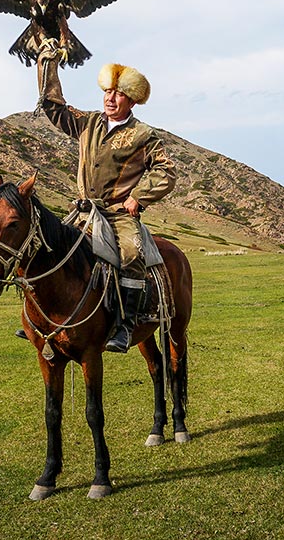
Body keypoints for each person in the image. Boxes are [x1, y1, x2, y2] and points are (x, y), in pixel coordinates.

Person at [25, 42, 177, 352]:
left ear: (131, 101)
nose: (111, 98)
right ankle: (41, 320)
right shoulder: (88, 122)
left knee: (132, 255)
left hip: (119, 215)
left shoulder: (142, 135)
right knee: (43, 245)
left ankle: (125, 325)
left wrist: (139, 197)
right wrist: (48, 65)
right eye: (108, 92)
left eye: (119, 94)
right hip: (81, 212)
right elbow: (53, 107)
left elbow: (167, 171)